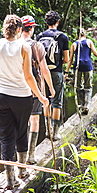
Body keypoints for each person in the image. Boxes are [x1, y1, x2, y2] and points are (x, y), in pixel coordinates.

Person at [0, 14, 49, 189]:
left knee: (6, 137)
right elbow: (29, 76)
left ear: (4, 28)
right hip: (21, 96)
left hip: (0, 94)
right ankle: (21, 171)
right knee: (21, 132)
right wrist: (41, 96)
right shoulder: (24, 47)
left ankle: (9, 179)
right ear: (20, 30)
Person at [20, 15, 55, 165]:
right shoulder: (36, 46)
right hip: (35, 90)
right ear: (32, 28)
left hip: (18, 89)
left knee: (22, 122)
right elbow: (44, 70)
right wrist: (51, 88)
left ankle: (20, 157)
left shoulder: (13, 44)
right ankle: (31, 156)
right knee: (34, 121)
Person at [36, 10, 69, 140]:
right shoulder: (63, 37)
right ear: (57, 22)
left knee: (45, 101)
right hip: (57, 71)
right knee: (57, 102)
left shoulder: (39, 36)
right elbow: (66, 59)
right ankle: (55, 133)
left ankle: (47, 131)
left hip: (43, 73)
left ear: (46, 22)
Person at [65, 28, 97, 115]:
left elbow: (70, 60)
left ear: (77, 35)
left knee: (78, 86)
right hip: (87, 65)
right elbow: (94, 52)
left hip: (78, 66)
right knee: (88, 86)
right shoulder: (89, 42)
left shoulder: (74, 44)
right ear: (84, 34)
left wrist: (66, 72)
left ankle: (81, 104)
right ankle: (87, 105)